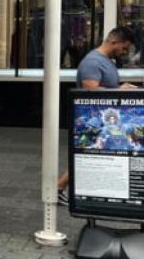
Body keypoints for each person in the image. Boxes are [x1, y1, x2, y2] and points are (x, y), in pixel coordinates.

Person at [58, 26, 137, 205]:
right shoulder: (93, 61)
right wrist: (119, 89)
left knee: (89, 153)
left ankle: (70, 189)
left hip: (103, 117)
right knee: (87, 153)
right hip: (92, 118)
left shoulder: (107, 60)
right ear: (113, 41)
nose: (125, 52)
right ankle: (60, 188)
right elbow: (90, 89)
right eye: (124, 48)